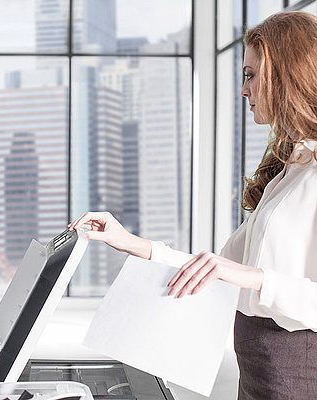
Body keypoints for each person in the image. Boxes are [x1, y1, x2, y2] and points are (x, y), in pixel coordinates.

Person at [70, 11, 317, 400]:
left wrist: (252, 277)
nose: (243, 90)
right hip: (259, 370)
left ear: (287, 76)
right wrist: (133, 243)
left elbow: (247, 276)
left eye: (251, 75)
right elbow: (214, 270)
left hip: (297, 373)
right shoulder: (288, 173)